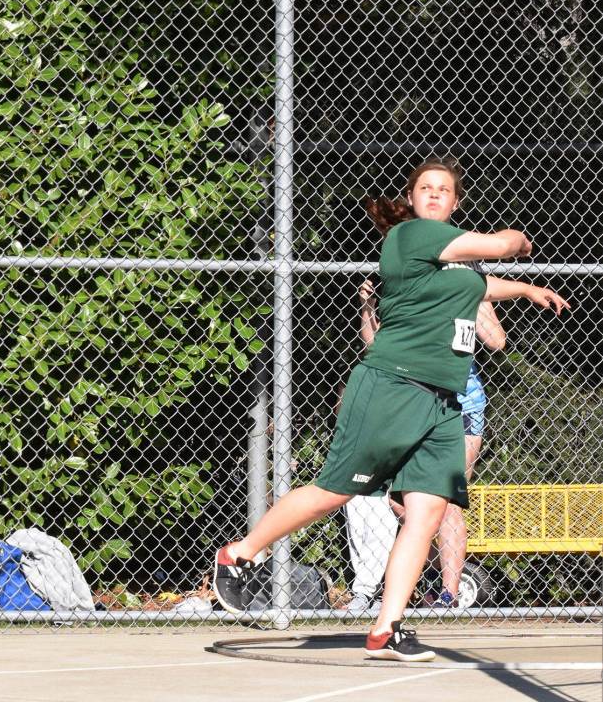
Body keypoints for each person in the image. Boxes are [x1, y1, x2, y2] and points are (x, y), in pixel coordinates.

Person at [213, 158, 570, 661]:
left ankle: (387, 627)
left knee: (426, 512)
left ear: (455, 201)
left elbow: (479, 285)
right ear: (412, 197)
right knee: (333, 492)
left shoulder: (453, 259)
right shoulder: (412, 237)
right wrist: (520, 241)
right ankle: (240, 554)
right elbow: (499, 245)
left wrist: (527, 288)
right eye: (425, 188)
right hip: (392, 386)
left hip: (443, 404)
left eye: (444, 190)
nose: (434, 195)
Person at [345, 275, 505, 615]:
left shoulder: (467, 282)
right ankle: (435, 570)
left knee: (445, 502)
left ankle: (449, 594)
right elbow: (376, 346)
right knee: (401, 502)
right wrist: (368, 305)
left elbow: (496, 340)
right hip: (415, 405)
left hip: (462, 404)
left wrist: (468, 296)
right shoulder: (408, 282)